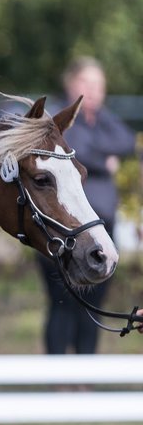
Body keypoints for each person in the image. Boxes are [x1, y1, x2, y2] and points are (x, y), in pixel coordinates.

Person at [37, 57, 137, 355]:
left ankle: (84, 382)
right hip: (64, 231)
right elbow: (70, 149)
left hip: (102, 230)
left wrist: (97, 152)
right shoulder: (58, 121)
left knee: (93, 310)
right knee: (61, 305)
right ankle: (57, 380)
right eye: (87, 83)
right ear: (71, 84)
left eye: (98, 85)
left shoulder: (104, 120)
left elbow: (127, 142)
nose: (93, 91)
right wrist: (103, 160)